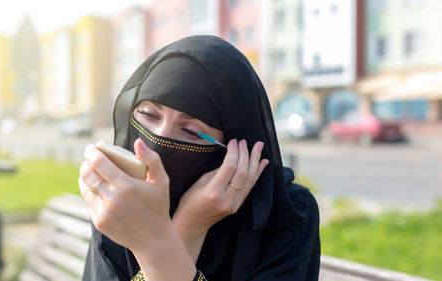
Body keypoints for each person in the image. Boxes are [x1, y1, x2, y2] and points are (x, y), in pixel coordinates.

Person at [79, 35, 320, 281]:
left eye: (191, 131)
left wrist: (156, 243)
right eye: (149, 115)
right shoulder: (121, 197)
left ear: (235, 145)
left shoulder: (287, 215)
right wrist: (188, 228)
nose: (158, 141)